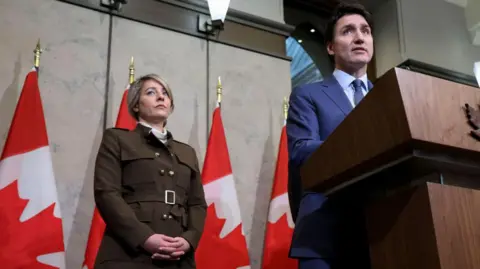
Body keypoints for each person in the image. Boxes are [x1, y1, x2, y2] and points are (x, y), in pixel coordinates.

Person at [286, 2, 375, 269]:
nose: (359, 37)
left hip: (381, 230)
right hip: (326, 234)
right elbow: (301, 150)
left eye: (366, 31)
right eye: (348, 31)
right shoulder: (308, 95)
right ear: (330, 46)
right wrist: (364, 146)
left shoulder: (389, 97)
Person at [93, 73, 207, 269]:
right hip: (128, 254)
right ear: (136, 105)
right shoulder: (117, 139)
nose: (161, 97)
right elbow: (107, 194)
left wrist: (189, 239)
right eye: (151, 92)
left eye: (165, 93)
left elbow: (197, 204)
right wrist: (144, 237)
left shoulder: (186, 152)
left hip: (178, 258)